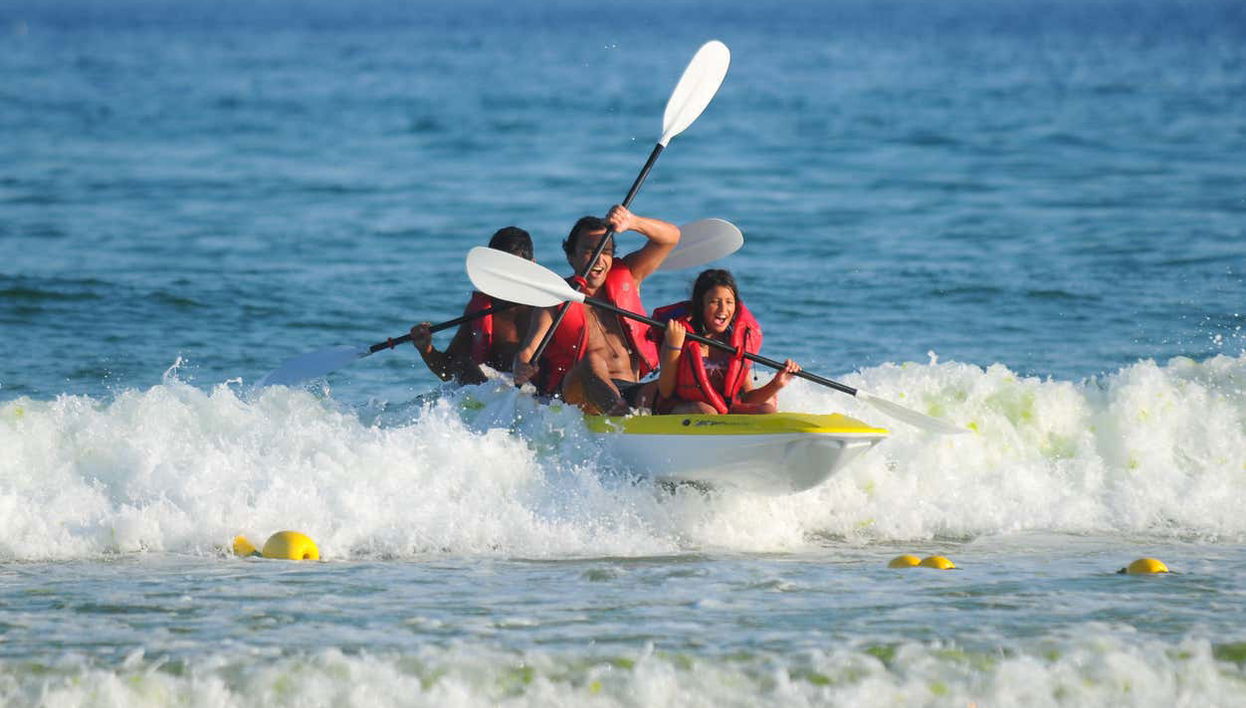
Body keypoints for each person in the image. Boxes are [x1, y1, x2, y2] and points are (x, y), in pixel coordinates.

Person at [512, 205, 680, 414]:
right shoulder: (553, 299)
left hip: (630, 388)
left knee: (673, 393)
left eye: (606, 251)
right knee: (592, 359)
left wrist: (632, 222)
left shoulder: (630, 274)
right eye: (589, 251)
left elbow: (670, 237)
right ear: (571, 256)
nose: (599, 259)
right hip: (576, 394)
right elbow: (529, 349)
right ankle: (623, 417)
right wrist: (522, 365)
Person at [652, 269, 801, 415]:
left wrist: (777, 384)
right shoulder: (679, 336)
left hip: (723, 413)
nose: (723, 309)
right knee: (706, 411)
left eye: (729, 302)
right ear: (700, 305)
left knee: (766, 410)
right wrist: (674, 346)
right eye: (714, 302)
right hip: (683, 409)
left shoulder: (736, 343)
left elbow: (747, 398)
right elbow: (665, 392)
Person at [410, 227, 535, 385]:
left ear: (532, 267)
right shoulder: (481, 308)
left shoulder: (548, 310)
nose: (507, 278)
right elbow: (447, 371)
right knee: (463, 365)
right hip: (492, 397)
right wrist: (426, 349)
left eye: (513, 270)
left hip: (535, 398)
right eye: (500, 270)